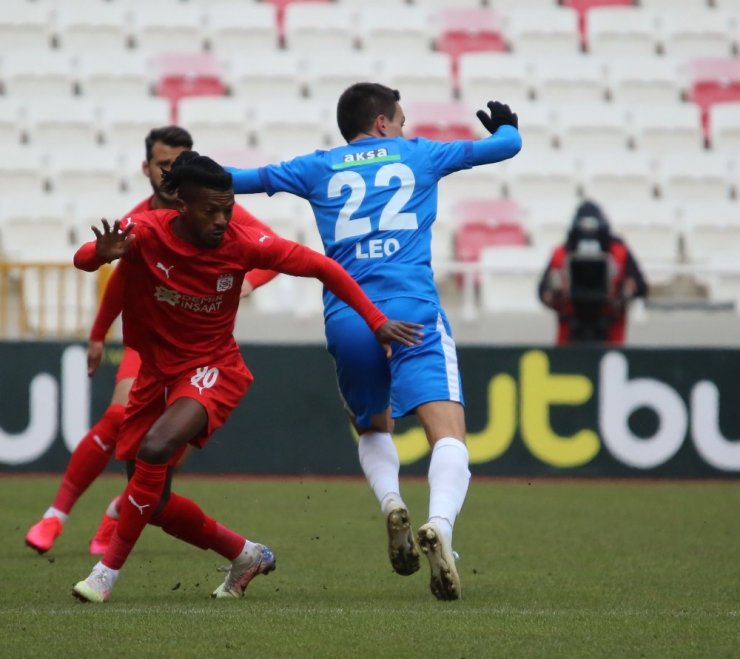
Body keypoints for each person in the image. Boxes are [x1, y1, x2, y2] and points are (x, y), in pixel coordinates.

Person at [70, 151, 422, 603]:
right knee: (154, 503)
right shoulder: (147, 232)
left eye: (228, 209)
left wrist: (375, 321)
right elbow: (83, 258)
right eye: (210, 210)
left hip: (211, 369)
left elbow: (324, 267)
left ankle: (105, 574)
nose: (221, 219)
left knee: (157, 448)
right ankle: (246, 554)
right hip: (155, 375)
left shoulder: (246, 243)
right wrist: (99, 254)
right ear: (181, 206)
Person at [226, 83, 522, 601]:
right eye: (400, 119)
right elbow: (505, 148)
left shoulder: (317, 166)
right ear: (383, 123)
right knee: (449, 436)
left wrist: (188, 174)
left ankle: (391, 503)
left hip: (349, 317)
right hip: (413, 312)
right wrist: (507, 126)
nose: (404, 128)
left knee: (371, 425)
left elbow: (240, 181)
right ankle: (441, 529)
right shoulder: (419, 153)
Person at [25, 126, 279, 557]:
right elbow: (119, 282)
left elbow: (272, 252)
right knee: (120, 417)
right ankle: (55, 515)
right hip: (149, 348)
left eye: (180, 163)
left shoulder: (216, 211)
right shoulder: (140, 221)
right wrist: (97, 334)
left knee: (164, 448)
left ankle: (117, 515)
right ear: (147, 167)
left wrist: (248, 283)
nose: (171, 171)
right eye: (164, 164)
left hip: (200, 351)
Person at [538, 199, 649, 345]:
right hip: (570, 332)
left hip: (609, 330)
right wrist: (554, 291)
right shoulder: (561, 255)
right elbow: (542, 292)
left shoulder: (619, 253)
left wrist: (626, 291)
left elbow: (641, 287)